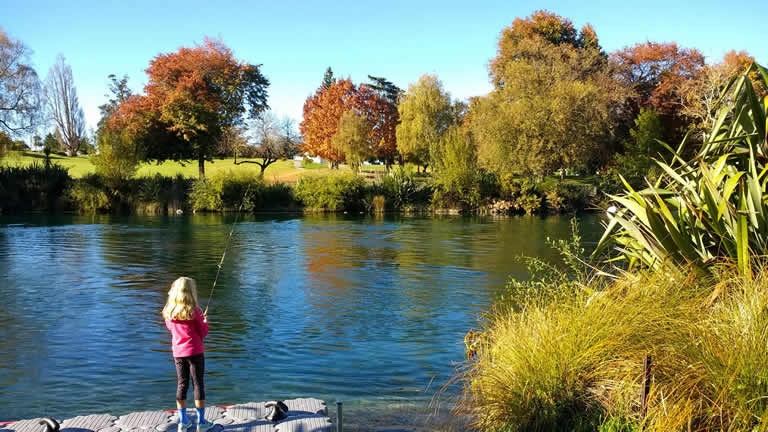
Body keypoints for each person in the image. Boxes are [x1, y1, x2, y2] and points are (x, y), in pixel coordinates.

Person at [162, 277, 214, 432]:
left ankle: (183, 422)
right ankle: (201, 422)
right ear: (191, 292)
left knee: (182, 384)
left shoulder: (168, 311)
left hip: (178, 353)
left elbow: (172, 330)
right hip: (196, 352)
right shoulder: (195, 311)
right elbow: (203, 333)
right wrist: (205, 322)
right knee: (198, 384)